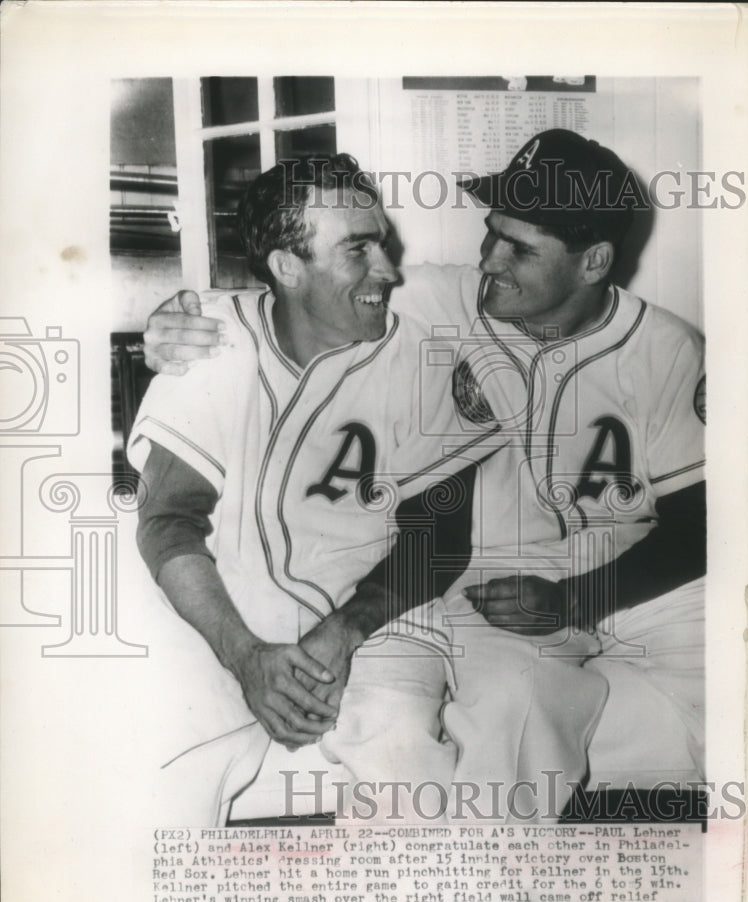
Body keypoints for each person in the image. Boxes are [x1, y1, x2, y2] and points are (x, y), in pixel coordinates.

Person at [146, 129, 706, 807]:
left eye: (520, 249)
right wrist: (180, 317)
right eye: (491, 232)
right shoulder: (437, 300)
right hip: (498, 580)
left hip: (640, 575)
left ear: (592, 263)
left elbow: (696, 527)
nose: (490, 261)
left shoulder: (669, 349)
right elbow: (299, 286)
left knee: (732, 730)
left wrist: (579, 601)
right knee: (505, 702)